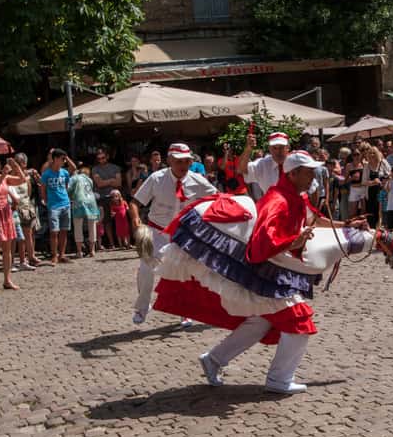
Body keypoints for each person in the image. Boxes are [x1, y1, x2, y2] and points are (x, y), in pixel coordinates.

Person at [158, 151, 375, 394]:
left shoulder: (293, 196)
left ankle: (214, 359)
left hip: (274, 271)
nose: (313, 176)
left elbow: (314, 218)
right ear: (293, 174)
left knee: (260, 321)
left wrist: (346, 225)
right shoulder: (278, 201)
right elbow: (263, 244)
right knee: (299, 322)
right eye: (308, 172)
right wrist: (293, 242)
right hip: (267, 273)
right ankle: (279, 380)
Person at [131, 143, 216, 325]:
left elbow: (216, 199)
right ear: (169, 160)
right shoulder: (156, 178)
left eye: (186, 161)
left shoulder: (197, 180)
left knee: (184, 273)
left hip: (183, 234)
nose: (183, 165)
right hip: (156, 231)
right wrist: (136, 221)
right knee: (146, 269)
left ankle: (186, 312)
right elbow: (135, 202)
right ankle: (142, 307)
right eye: (178, 161)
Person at [0, 158, 27, 290]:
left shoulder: (5, 177)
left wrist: (16, 166)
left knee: (7, 249)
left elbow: (22, 179)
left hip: (5, 212)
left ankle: (7, 279)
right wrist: (2, 176)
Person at [40, 149, 76, 265]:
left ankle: (62, 255)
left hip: (65, 203)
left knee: (64, 231)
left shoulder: (64, 173)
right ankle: (54, 255)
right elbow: (43, 189)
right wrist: (46, 201)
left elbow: (73, 169)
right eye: (62, 159)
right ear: (55, 159)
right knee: (54, 232)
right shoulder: (46, 174)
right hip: (53, 205)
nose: (64, 161)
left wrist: (67, 156)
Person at [237, 132, 292, 198]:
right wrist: (248, 148)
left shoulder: (297, 163)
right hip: (272, 206)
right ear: (269, 149)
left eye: (281, 147)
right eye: (274, 148)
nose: (278, 152)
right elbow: (241, 170)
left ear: (288, 148)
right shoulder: (263, 164)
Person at [11, 153, 40, 270]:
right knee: (17, 237)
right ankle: (16, 260)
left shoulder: (26, 177)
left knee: (28, 234)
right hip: (15, 208)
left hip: (26, 207)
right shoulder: (11, 177)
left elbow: (28, 192)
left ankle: (29, 257)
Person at [92, 148, 123, 249]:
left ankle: (123, 242)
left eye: (103, 158)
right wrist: (111, 180)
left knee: (121, 220)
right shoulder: (95, 169)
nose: (101, 160)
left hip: (116, 197)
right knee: (107, 222)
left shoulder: (115, 168)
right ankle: (112, 243)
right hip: (103, 197)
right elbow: (99, 184)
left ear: (107, 157)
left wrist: (105, 181)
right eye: (99, 158)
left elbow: (119, 183)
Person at [69, 166, 100, 258]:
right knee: (92, 226)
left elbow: (68, 188)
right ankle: (92, 250)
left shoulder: (75, 177)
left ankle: (79, 251)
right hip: (91, 202)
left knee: (78, 226)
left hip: (79, 202)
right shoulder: (90, 180)